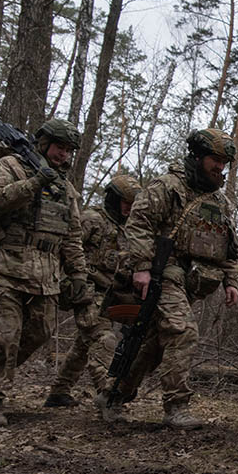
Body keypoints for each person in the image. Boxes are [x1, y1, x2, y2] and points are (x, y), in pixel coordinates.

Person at [95, 129, 238, 429]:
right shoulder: (169, 186)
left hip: (192, 282)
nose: (219, 167)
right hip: (163, 274)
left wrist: (231, 281)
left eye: (224, 162)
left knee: (152, 346)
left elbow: (229, 246)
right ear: (198, 157)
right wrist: (142, 266)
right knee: (182, 331)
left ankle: (114, 394)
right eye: (215, 159)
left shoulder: (219, 202)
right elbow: (138, 223)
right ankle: (177, 405)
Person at [0, 119, 89, 427]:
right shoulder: (11, 165)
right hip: (6, 267)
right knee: (4, 333)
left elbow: (72, 235)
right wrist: (34, 182)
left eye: (67, 151)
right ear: (43, 143)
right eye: (59, 148)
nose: (63, 156)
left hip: (46, 273)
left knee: (40, 331)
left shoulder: (66, 189)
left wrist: (78, 274)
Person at [43, 174, 141, 408]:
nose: (129, 209)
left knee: (84, 342)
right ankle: (109, 395)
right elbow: (64, 248)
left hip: (112, 294)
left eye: (133, 205)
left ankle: (59, 391)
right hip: (85, 289)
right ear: (114, 199)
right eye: (126, 203)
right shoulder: (91, 219)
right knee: (102, 338)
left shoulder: (129, 229)